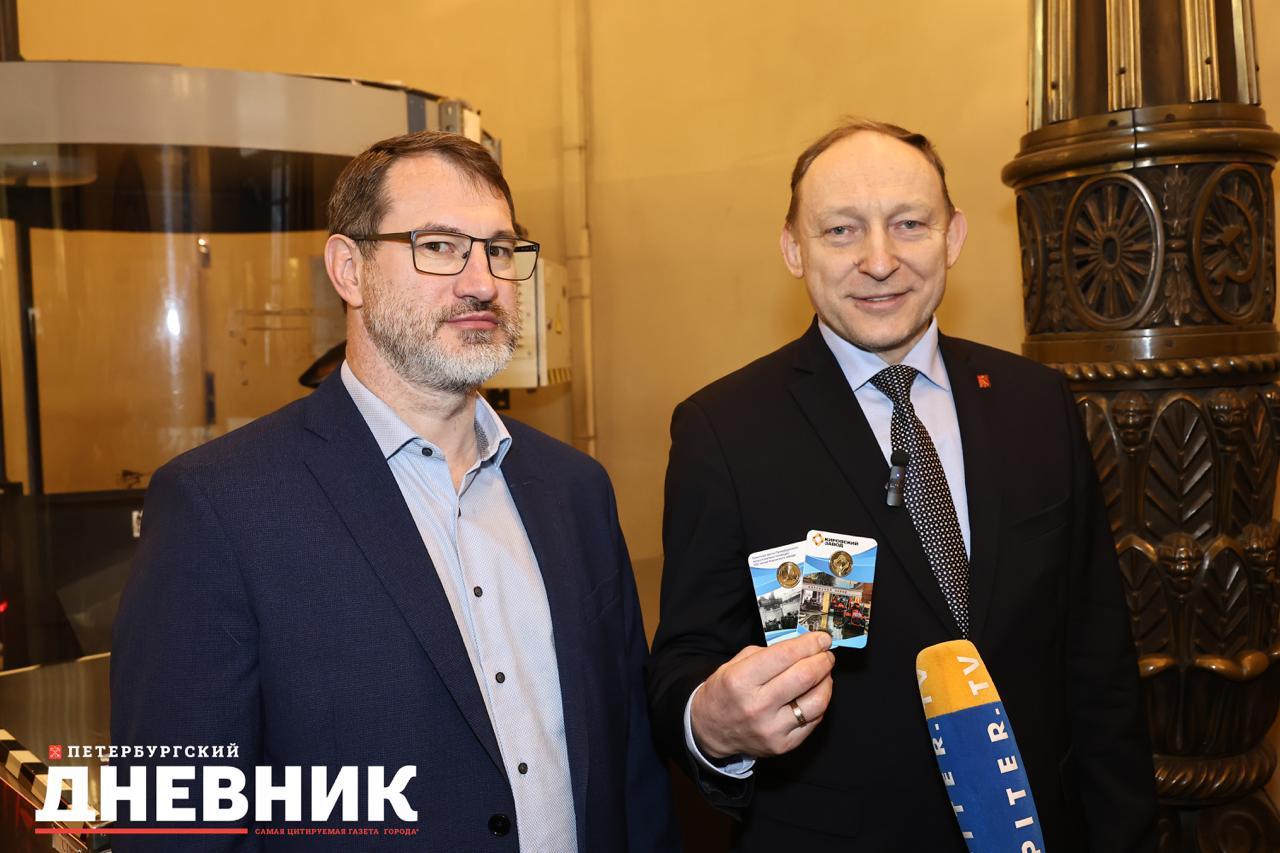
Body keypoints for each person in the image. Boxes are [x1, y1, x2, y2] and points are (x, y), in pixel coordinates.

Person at [112, 130, 680, 851]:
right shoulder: (221, 508)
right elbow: (176, 822)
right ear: (349, 270)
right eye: (438, 246)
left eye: (500, 250)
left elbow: (632, 772)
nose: (482, 282)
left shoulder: (576, 491)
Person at [646, 119, 1156, 850]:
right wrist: (711, 723)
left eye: (909, 224)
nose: (880, 261)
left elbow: (1099, 660)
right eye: (841, 230)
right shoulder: (725, 431)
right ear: (794, 249)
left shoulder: (1038, 403)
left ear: (953, 237)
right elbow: (685, 664)